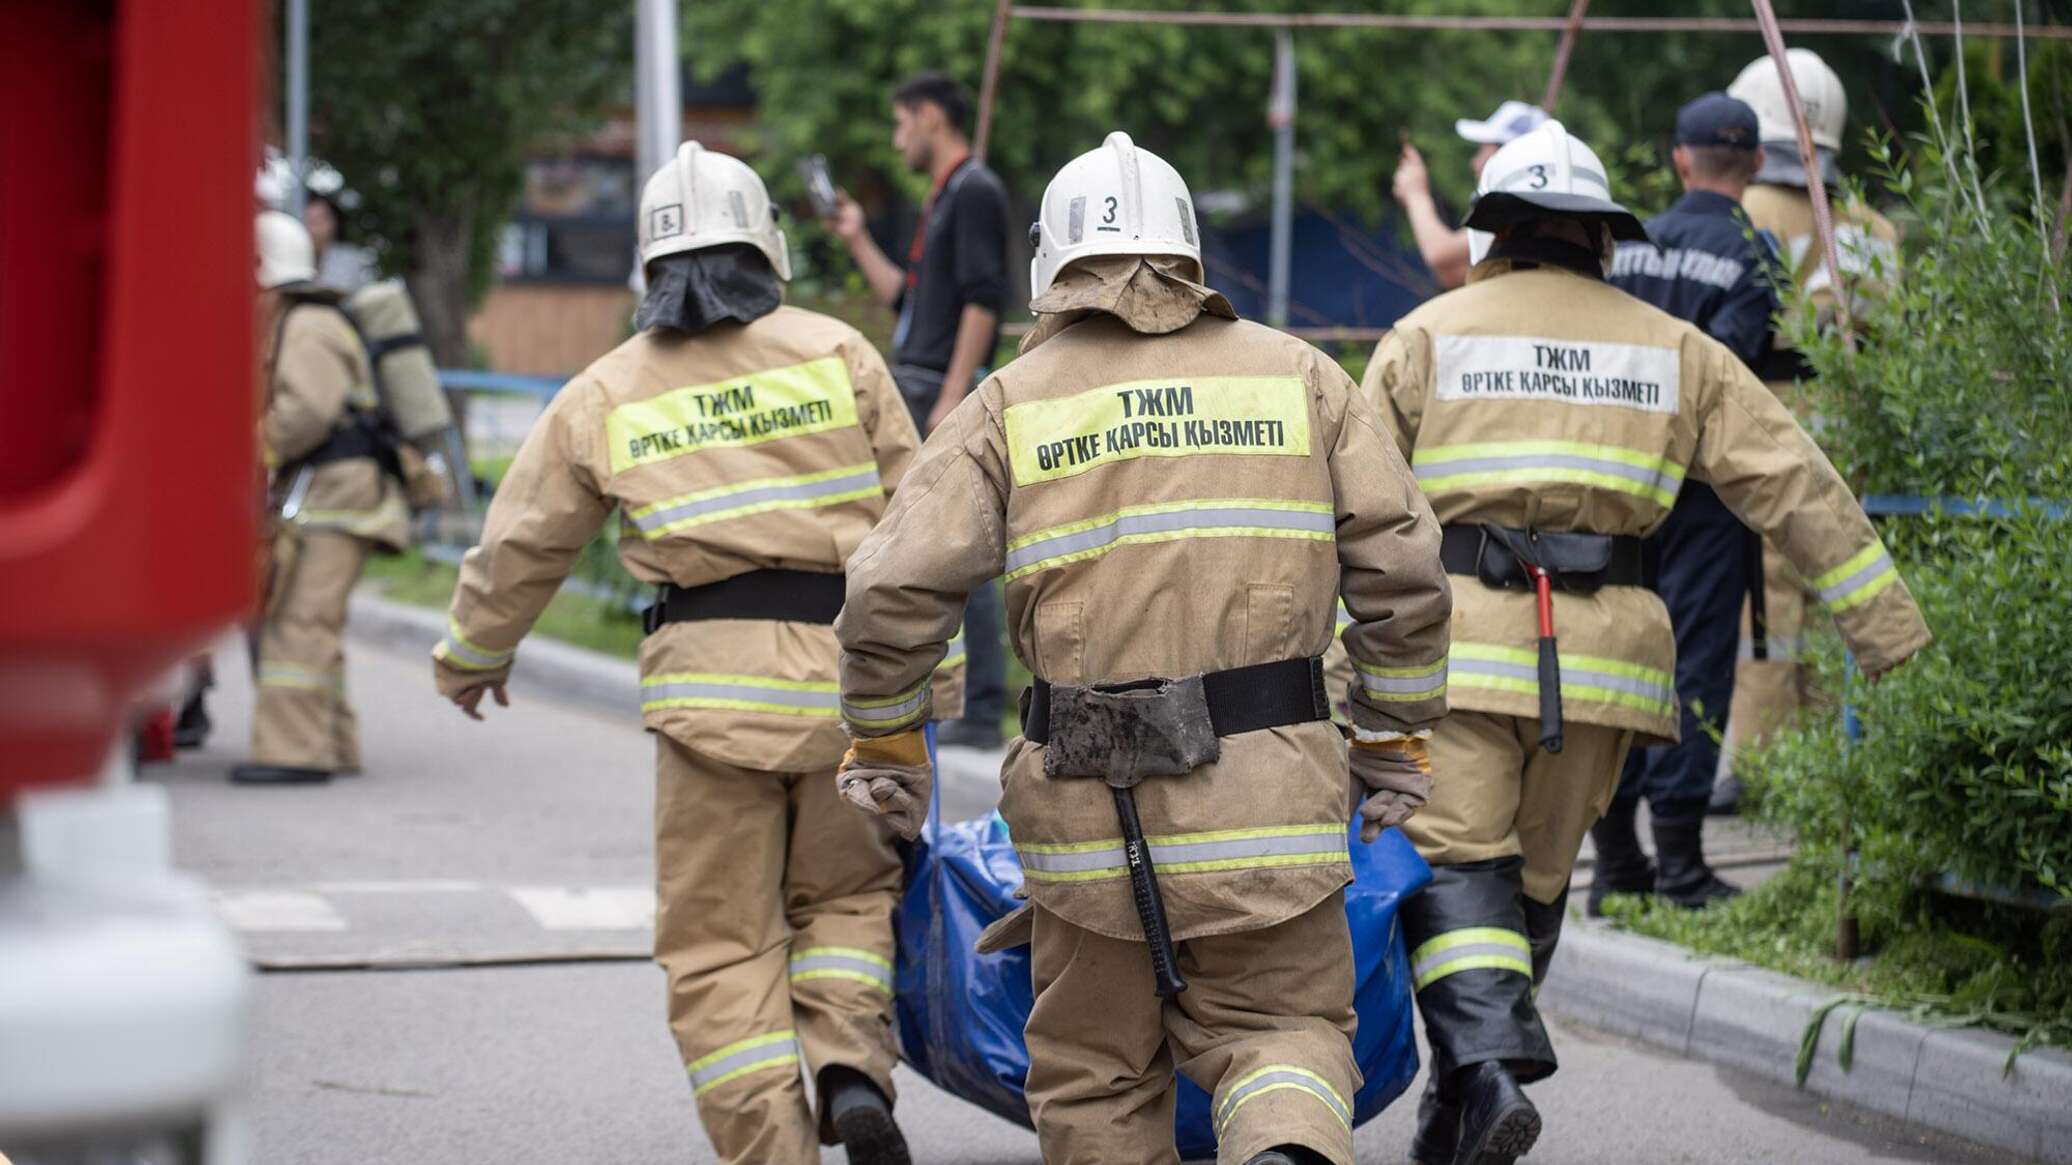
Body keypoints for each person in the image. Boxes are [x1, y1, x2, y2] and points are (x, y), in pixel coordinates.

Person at [833, 132, 1454, 1165]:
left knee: (1096, 1076)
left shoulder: (1007, 407)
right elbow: (1405, 571)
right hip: (1271, 813)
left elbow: (889, 587)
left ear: (1051, 265)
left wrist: (889, 741)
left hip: (1086, 823)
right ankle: (1288, 1146)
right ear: (1187, 251)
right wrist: (1389, 733)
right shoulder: (1299, 378)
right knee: (1283, 1037)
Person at [1361, 121, 1929, 1165]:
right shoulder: (1672, 350)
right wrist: (1883, 626)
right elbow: (1790, 482)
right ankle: (1462, 1096)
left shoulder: (1426, 335)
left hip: (1453, 646)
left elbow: (1351, 510)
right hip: (1605, 663)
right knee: (1532, 881)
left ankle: (1485, 1071)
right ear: (1601, 240)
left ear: (1491, 232)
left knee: (1453, 866)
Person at [431, 144, 956, 1165]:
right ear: (767, 247)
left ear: (648, 266)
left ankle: (771, 1145)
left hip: (711, 706)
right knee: (848, 897)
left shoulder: (607, 389)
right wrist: (931, 689)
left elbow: (526, 537)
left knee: (720, 939)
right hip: (855, 692)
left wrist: (472, 651)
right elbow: (924, 524)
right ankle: (850, 1067)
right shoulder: (838, 352)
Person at [1592, 93, 1782, 913]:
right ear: (1758, 166)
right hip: (1704, 492)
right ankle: (1680, 863)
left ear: (1679, 160)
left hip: (1616, 488)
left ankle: (1616, 861)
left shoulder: (1629, 246)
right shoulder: (1754, 252)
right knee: (1693, 665)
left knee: (1617, 656)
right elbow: (1728, 375)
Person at [1717, 49, 1901, 812]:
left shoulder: (1742, 213)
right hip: (1853, 426)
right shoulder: (1876, 230)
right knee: (1840, 587)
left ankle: (1759, 764)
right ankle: (1838, 755)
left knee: (1767, 600)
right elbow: (1895, 339)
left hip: (1772, 419)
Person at [828, 70, 1012, 750]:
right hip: (918, 376)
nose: (896, 137)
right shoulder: (941, 199)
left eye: (901, 122)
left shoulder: (975, 191)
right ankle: (935, 692)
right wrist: (854, 236)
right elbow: (908, 303)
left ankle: (982, 705)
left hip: (939, 384)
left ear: (931, 117)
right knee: (916, 541)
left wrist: (951, 397)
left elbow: (983, 299)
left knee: (963, 539)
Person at [236, 210, 409, 785]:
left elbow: (306, 411)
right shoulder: (302, 321)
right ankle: (333, 743)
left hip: (338, 495)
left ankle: (294, 753)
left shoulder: (306, 325)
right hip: (335, 494)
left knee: (298, 621)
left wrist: (248, 451)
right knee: (315, 624)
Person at [1392, 100, 1549, 291]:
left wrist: (1416, 195)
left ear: (1506, 155)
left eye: (1484, 151)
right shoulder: (1538, 213)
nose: (1475, 164)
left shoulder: (1522, 216)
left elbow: (1440, 254)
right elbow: (1451, 273)